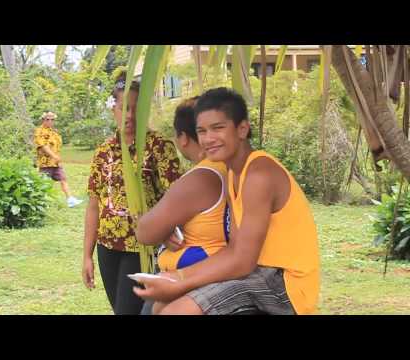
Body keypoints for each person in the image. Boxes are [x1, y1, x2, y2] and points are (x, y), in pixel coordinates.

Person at [133, 87, 320, 315]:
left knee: (176, 311)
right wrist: (176, 278)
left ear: (242, 129)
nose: (208, 139)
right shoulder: (233, 171)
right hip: (259, 272)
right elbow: (235, 249)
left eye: (218, 128)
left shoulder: (258, 174)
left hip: (284, 283)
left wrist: (180, 280)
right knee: (161, 306)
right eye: (201, 131)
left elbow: (242, 260)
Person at [82, 72, 183, 315]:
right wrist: (87, 255)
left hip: (142, 247)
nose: (129, 115)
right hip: (107, 246)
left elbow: (178, 198)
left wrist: (168, 230)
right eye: (123, 108)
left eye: (136, 109)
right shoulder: (103, 151)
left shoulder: (159, 147)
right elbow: (94, 205)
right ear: (113, 108)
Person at [136, 97, 229, 315]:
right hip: (220, 275)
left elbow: (145, 232)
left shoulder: (200, 178)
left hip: (193, 279)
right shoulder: (231, 167)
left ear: (183, 138)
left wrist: (159, 227)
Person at [34, 111, 83, 208]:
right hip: (45, 163)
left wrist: (57, 159)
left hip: (55, 163)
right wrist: (53, 156)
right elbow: (43, 146)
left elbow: (57, 146)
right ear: (43, 120)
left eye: (52, 119)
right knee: (44, 184)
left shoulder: (53, 131)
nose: (50, 121)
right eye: (47, 119)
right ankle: (39, 202)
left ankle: (70, 200)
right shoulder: (39, 131)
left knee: (63, 179)